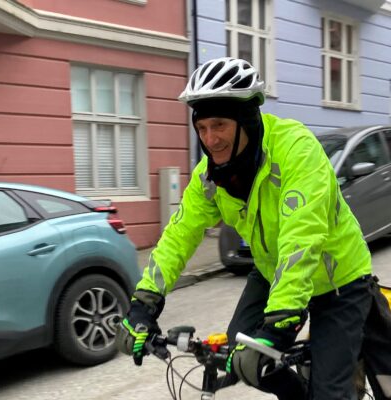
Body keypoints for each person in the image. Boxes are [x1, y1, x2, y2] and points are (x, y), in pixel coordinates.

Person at [115, 57, 389, 399]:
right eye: (202, 127)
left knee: (328, 392)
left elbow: (302, 238)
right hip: (273, 270)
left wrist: (280, 323)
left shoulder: (296, 150)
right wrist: (144, 302)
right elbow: (178, 235)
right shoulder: (210, 176)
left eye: (219, 125)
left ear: (245, 120)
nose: (210, 139)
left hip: (338, 278)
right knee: (242, 357)